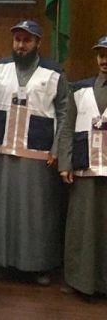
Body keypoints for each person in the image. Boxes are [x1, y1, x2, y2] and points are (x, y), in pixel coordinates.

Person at [0, 19, 68, 285]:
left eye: (27, 40)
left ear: (38, 43)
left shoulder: (54, 72)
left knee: (36, 213)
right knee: (2, 210)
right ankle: (1, 261)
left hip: (39, 155)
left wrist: (57, 148)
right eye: (17, 39)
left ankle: (38, 266)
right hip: (2, 151)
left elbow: (65, 113)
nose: (21, 45)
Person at [58, 35, 107, 299]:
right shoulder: (79, 89)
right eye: (101, 55)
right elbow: (67, 128)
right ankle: (80, 281)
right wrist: (65, 163)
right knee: (82, 227)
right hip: (84, 167)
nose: (104, 60)